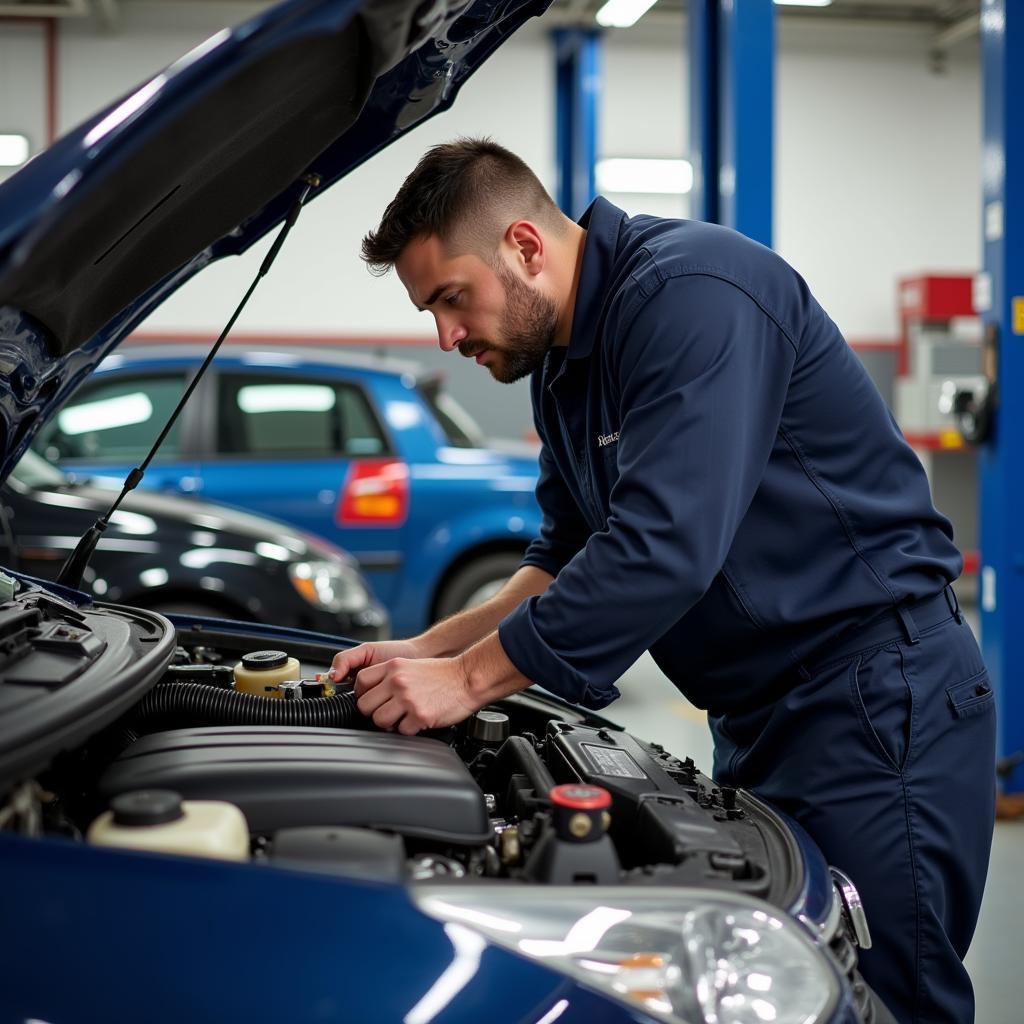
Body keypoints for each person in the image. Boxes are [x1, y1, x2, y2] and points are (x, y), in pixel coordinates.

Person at [330, 138, 995, 1024]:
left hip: (877, 705)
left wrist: (467, 683)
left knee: (885, 1002)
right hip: (762, 721)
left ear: (525, 246)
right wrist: (425, 649)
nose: (446, 336)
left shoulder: (694, 294)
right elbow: (562, 558)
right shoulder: (562, 371)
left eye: (452, 298)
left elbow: (666, 546)